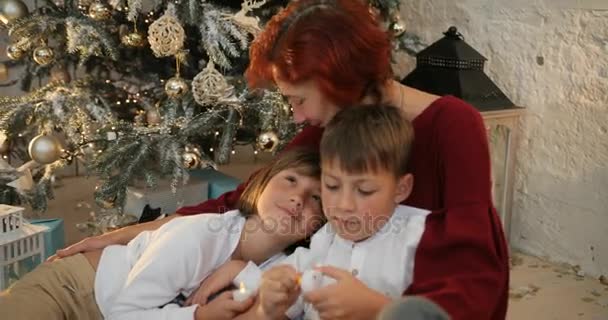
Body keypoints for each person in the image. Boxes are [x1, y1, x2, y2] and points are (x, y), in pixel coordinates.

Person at [54, 0, 509, 319]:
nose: (297, 115)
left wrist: (384, 310)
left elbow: (474, 272)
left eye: (298, 99)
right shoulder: (330, 127)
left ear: (339, 81)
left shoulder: (453, 125)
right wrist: (132, 233)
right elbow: (240, 199)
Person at [1, 148, 325, 320]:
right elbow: (124, 314)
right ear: (260, 184)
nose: (298, 198)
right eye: (291, 180)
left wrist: (242, 271)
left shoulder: (285, 267)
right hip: (73, 289)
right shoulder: (201, 235)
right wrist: (199, 315)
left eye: (317, 198)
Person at [234, 103, 439, 320]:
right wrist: (267, 309)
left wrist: (376, 308)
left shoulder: (420, 239)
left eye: (364, 190)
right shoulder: (325, 239)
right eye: (331, 186)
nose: (344, 204)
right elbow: (261, 301)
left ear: (401, 189)